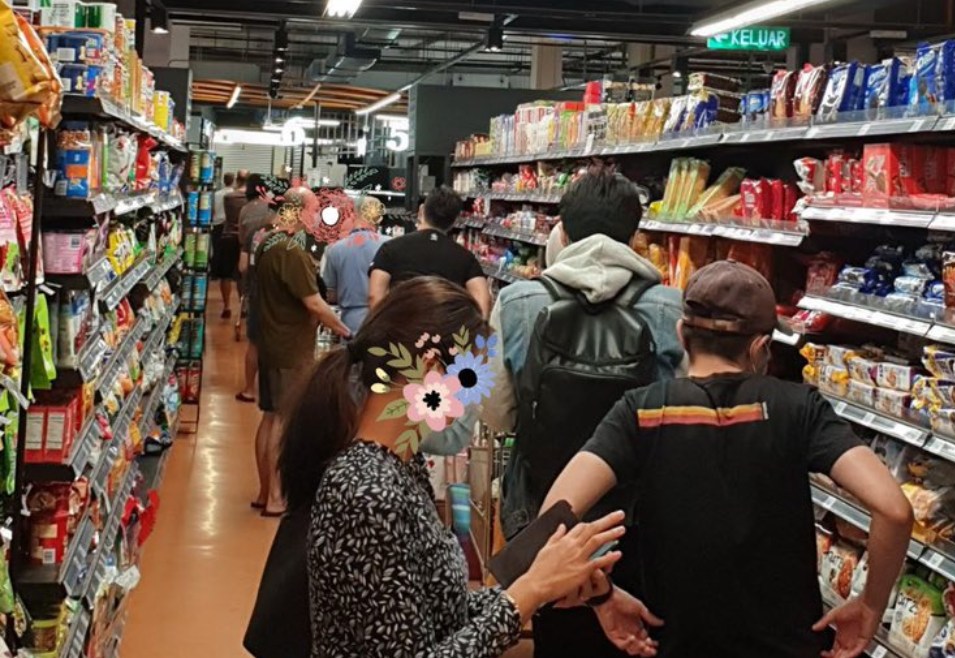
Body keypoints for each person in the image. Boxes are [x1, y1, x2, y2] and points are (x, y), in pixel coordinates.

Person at [543, 260, 915, 658]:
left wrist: (602, 595)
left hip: (672, 644)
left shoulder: (641, 410)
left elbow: (552, 519)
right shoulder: (798, 407)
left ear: (682, 333)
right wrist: (871, 604)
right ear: (759, 347)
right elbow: (894, 510)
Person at [244, 276, 628, 658]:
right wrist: (529, 594)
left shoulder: (400, 466)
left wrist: (540, 584)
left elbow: (439, 615)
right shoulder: (367, 492)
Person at [481, 171, 685, 658]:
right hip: (637, 515)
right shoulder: (670, 308)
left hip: (543, 512)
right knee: (638, 637)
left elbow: (496, 412)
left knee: (560, 636)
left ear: (562, 231)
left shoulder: (516, 302)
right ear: (634, 236)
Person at [253, 186, 351, 516]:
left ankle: (265, 490)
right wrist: (343, 329)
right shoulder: (289, 251)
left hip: (270, 338)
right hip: (290, 345)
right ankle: (277, 497)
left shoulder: (267, 241)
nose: (314, 217)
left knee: (269, 417)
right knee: (284, 420)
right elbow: (313, 302)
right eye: (312, 210)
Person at [369, 186, 490, 317]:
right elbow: (483, 300)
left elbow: (375, 296)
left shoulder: (390, 248)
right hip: (445, 329)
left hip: (401, 328)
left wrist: (384, 327)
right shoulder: (466, 258)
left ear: (422, 211)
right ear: (454, 221)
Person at [235, 174, 278, 406]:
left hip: (257, 292)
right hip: (283, 300)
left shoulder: (254, 231)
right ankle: (274, 390)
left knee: (254, 343)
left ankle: (249, 389)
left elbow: (242, 266)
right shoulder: (293, 239)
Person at [320, 196, 390, 335]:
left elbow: (330, 293)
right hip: (383, 320)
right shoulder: (391, 245)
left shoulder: (335, 249)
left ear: (354, 214)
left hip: (349, 323)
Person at [210, 171, 242, 319]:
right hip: (236, 233)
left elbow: (212, 211)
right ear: (233, 180)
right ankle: (243, 306)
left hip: (220, 229)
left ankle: (227, 305)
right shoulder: (239, 196)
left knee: (221, 262)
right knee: (241, 272)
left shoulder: (217, 195)